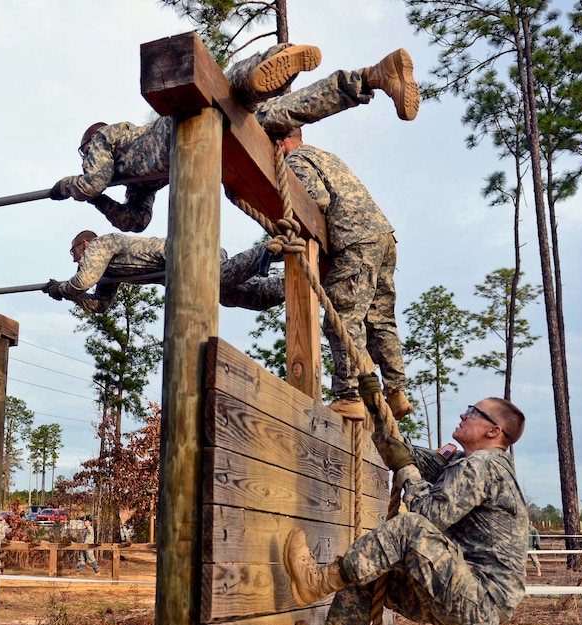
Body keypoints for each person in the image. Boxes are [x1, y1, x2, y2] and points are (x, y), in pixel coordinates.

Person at [283, 394, 528, 625]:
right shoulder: (469, 463)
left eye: (473, 412)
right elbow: (410, 457)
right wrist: (377, 411)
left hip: (478, 598)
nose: (463, 415)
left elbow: (427, 514)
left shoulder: (484, 466)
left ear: (494, 431)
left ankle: (318, 581)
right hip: (470, 599)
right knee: (371, 572)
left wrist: (405, 468)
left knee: (411, 527)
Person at [50, 46, 418, 233]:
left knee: (224, 94)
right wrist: (100, 201)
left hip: (179, 130)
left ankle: (268, 64)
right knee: (281, 113)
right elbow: (136, 221)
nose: (85, 159)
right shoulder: (138, 178)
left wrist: (71, 187)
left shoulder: (109, 138)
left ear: (90, 143)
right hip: (206, 151)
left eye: (84, 153)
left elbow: (92, 179)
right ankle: (371, 76)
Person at [279, 127, 412, 421]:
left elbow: (316, 199)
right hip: (383, 238)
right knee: (380, 318)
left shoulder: (296, 160)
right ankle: (396, 390)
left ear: (282, 141)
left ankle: (349, 395)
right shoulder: (326, 155)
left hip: (356, 239)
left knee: (343, 316)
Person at [43, 230, 285, 313]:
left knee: (218, 280)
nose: (74, 259)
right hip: (185, 273)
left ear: (84, 244)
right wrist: (72, 296)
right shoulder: (109, 271)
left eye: (73, 252)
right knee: (243, 296)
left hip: (189, 253)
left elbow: (82, 281)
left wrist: (63, 289)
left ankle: (275, 248)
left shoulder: (101, 244)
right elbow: (101, 304)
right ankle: (289, 284)